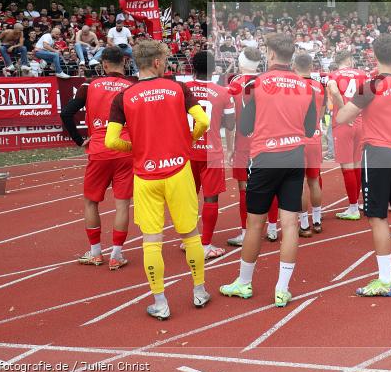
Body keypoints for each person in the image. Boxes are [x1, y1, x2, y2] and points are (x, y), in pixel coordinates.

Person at [105, 40, 211, 320]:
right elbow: (203, 122)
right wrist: (187, 142)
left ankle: (160, 302)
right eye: (164, 60)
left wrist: (137, 149)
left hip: (145, 174)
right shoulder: (178, 88)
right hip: (178, 171)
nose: (165, 64)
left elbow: (111, 140)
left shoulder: (123, 97)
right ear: (156, 62)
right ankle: (199, 291)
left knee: (152, 240)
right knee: (190, 234)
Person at [219, 33, 317, 308]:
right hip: (294, 157)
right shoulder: (305, 86)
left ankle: (244, 283)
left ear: (271, 55)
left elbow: (246, 126)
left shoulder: (257, 83)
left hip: (264, 159)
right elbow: (310, 129)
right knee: (289, 225)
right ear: (290, 56)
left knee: (255, 224)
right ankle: (282, 289)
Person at [332, 34, 391, 296]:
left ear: (374, 55)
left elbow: (343, 117)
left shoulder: (371, 85)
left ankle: (384, 279)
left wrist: (336, 95)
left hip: (378, 153)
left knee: (377, 217)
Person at [60, 46, 133, 270]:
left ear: (104, 65)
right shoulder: (132, 87)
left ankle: (95, 253)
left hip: (99, 150)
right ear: (124, 62)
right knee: (122, 205)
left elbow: (66, 113)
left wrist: (79, 139)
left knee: (91, 202)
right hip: (125, 150)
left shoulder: (89, 85)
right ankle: (117, 255)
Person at [183, 51, 236, 259]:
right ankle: (205, 245)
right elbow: (231, 124)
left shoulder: (182, 89)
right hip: (211, 152)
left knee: (187, 199)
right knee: (211, 199)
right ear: (214, 70)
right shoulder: (222, 92)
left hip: (186, 152)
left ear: (192, 68)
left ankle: (188, 241)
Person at [225, 47, 270, 247]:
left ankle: (245, 231)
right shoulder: (266, 82)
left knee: (244, 189)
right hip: (264, 140)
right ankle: (272, 228)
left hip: (243, 142)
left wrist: (229, 145)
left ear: (241, 63)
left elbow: (229, 118)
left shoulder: (235, 83)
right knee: (270, 185)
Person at [327, 50, 367, 221]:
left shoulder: (333, 75)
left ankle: (352, 207)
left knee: (347, 167)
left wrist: (345, 111)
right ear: (349, 60)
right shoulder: (362, 74)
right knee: (357, 163)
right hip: (360, 121)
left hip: (344, 122)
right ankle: (358, 203)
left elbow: (335, 92)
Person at [292, 51, 326, 237]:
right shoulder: (320, 86)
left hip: (297, 137)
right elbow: (320, 114)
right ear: (311, 67)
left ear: (294, 67)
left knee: (299, 183)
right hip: (314, 136)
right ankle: (318, 221)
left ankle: (304, 224)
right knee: (314, 181)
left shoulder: (293, 86)